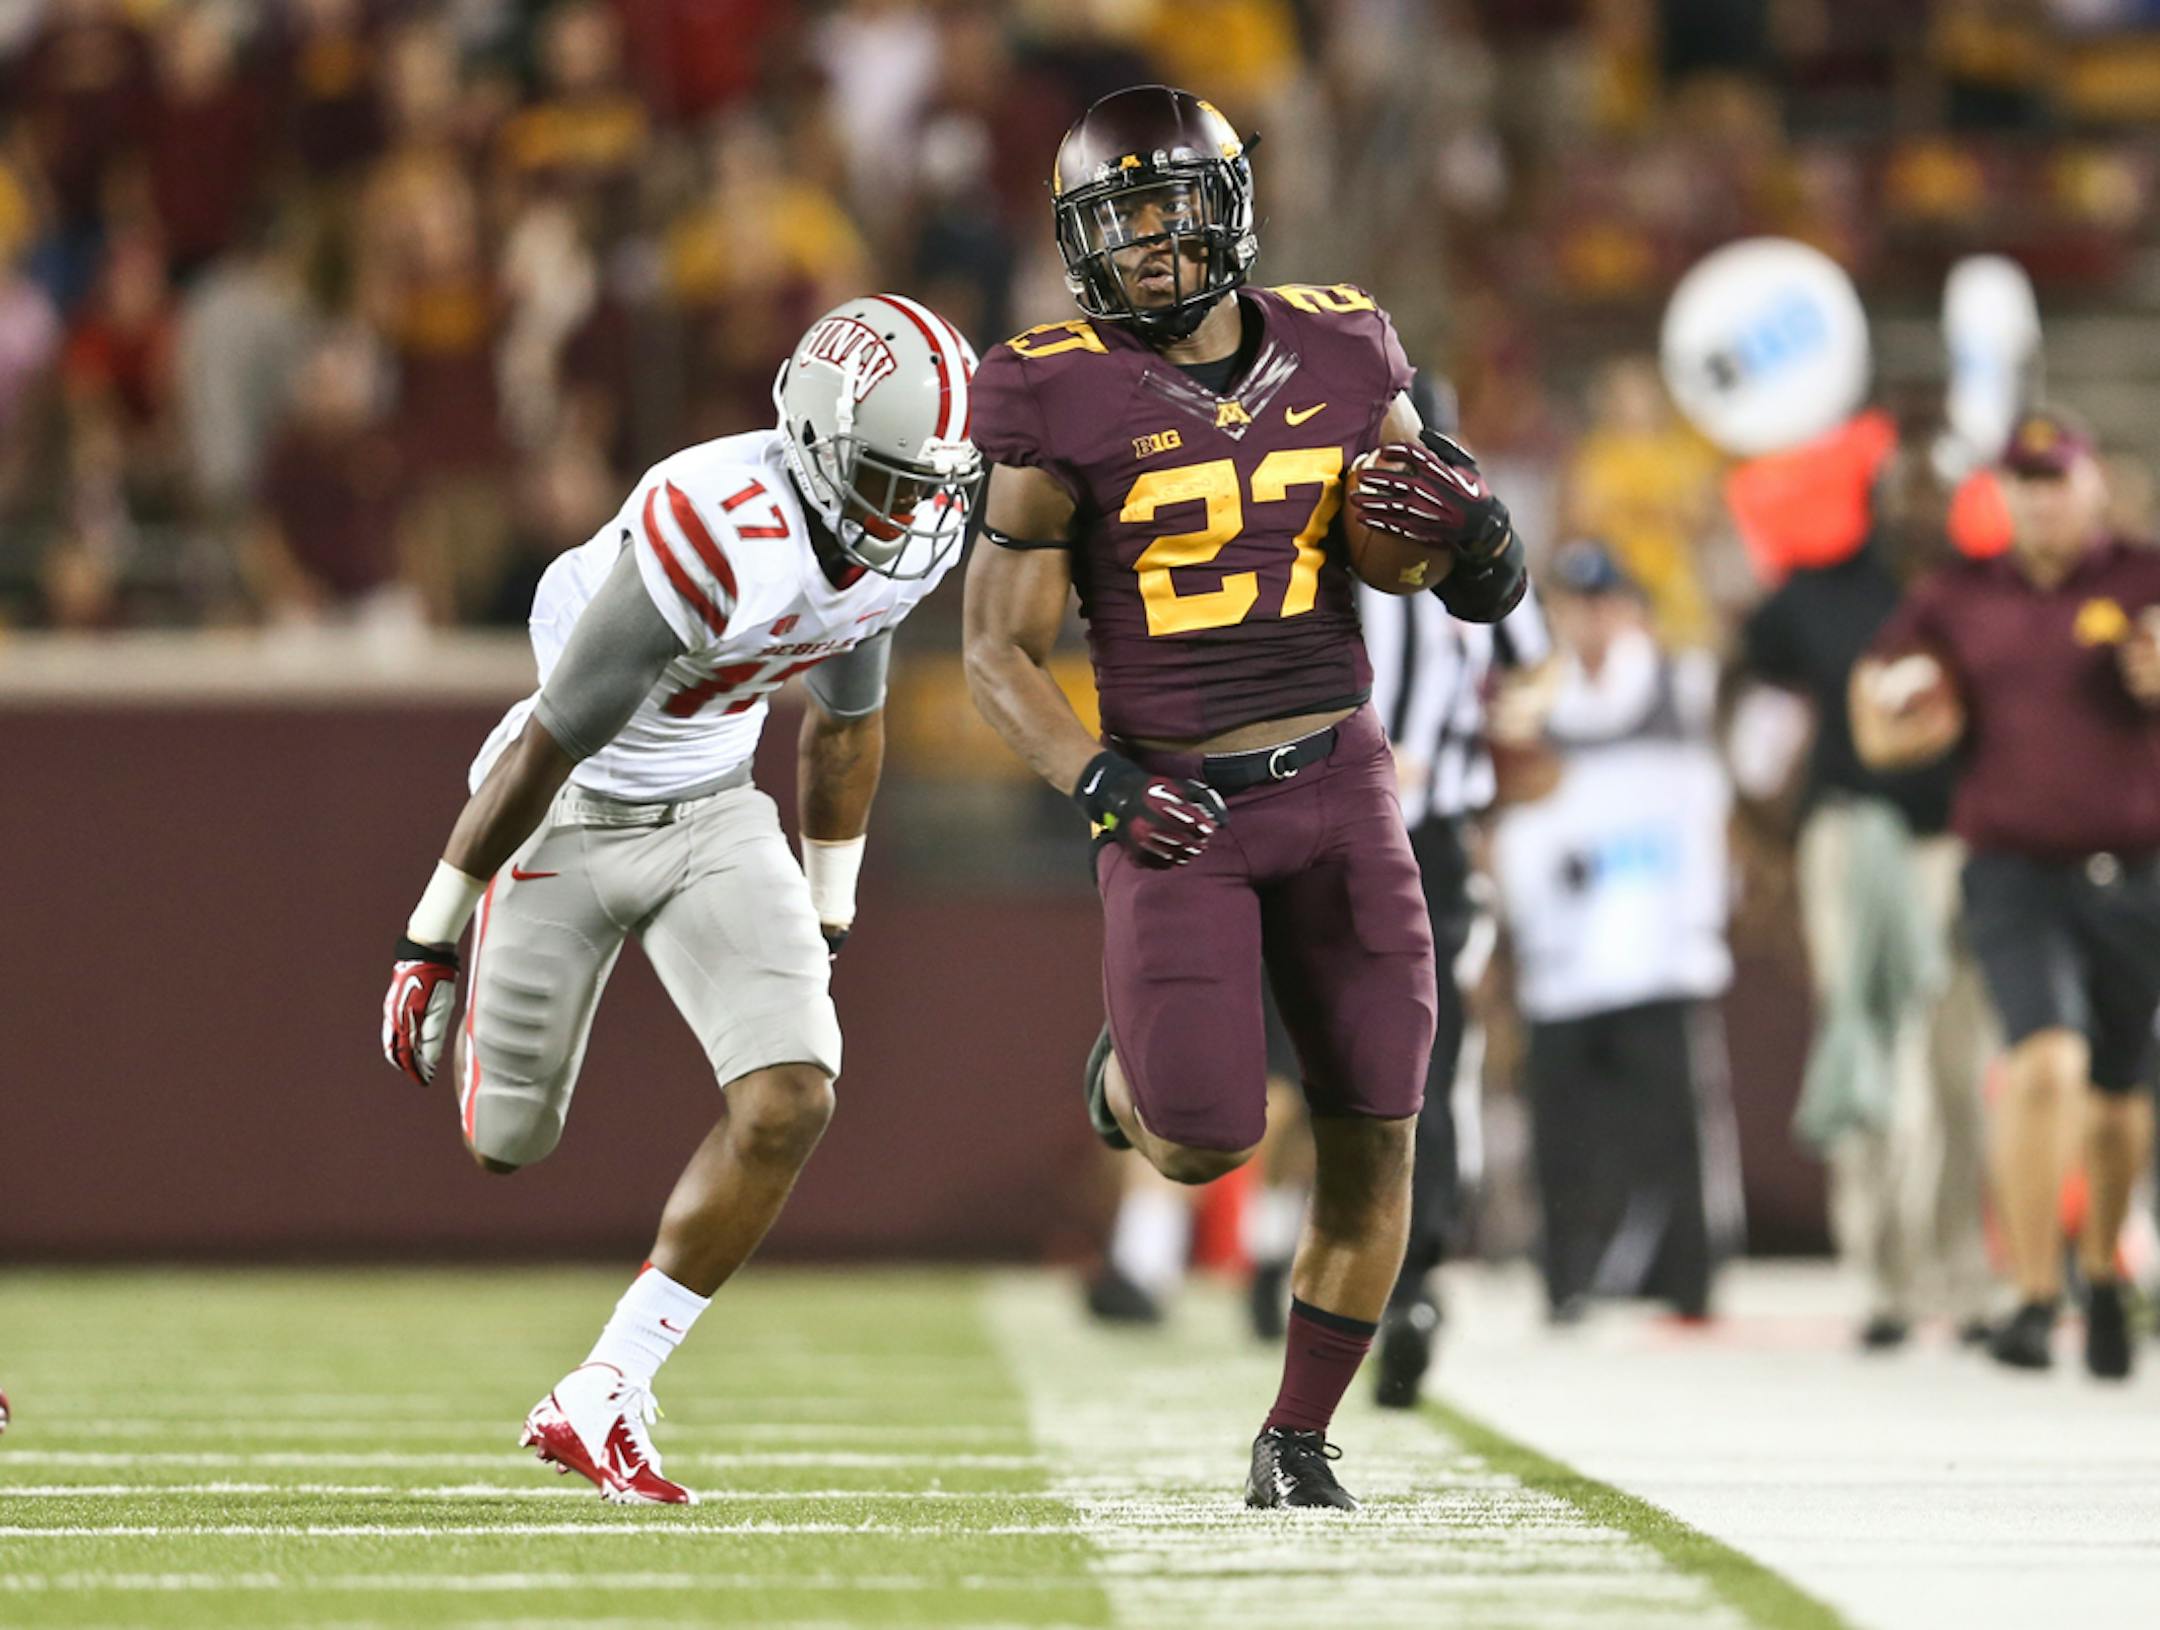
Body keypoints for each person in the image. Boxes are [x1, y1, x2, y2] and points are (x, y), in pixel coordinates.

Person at [961, 85, 1527, 1511]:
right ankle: (1128, 1077)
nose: (1149, 246)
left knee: (1378, 1117)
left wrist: (1481, 543)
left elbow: (1428, 552)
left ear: (1229, 210)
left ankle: (1297, 1436)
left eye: (1169, 211)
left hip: (1342, 782)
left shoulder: (1347, 343)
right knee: (1206, 1131)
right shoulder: (1048, 386)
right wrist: (1098, 780)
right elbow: (996, 650)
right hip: (1177, 803)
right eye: (1119, 222)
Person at [379, 293, 982, 1502]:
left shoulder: (905, 536)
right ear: (815, 438)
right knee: (507, 1142)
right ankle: (493, 941)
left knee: (792, 1096)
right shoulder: (714, 523)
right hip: (567, 803)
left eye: (928, 484)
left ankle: (606, 1385)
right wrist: (424, 939)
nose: (910, 511)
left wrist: (828, 914)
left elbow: (845, 723)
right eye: (887, 478)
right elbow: (548, 742)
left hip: (712, 807)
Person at [1854, 407, 2160, 1380]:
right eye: (2024, 484)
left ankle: (2102, 1270)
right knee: (2044, 1063)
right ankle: (2033, 1294)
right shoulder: (1958, 592)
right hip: (2013, 867)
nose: (2040, 500)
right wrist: (1894, 721)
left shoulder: (2144, 577)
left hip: (2136, 868)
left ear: (2092, 482)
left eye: (2055, 479)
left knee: (2117, 1100)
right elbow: (1877, 691)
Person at [1735, 449, 1992, 1352]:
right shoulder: (1820, 592)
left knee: (1959, 1064)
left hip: (1963, 841)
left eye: (1936, 491)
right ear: (1874, 501)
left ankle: (1958, 1269)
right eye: (1906, 491)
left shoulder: (1987, 594)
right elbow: (1746, 685)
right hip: (1855, 835)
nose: (1921, 508)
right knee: (1866, 1043)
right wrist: (1762, 825)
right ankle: (1882, 1274)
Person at [1491, 541, 1745, 1324]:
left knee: (1671, 1121)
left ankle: (1688, 1277)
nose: (1590, 620)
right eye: (1574, 605)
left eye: (1603, 603)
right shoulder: (1528, 705)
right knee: (1563, 1126)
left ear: (1632, 610)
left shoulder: (1683, 687)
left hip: (1659, 944)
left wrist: (1705, 914)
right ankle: (1566, 1276)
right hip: (1564, 948)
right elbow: (1505, 824)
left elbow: (1718, 807)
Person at [1358, 551, 1553, 1403]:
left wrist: (1509, 715)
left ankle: (1412, 1282)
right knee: (1317, 1064)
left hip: (1430, 837)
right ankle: (1324, 1258)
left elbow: (1536, 668)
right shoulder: (1305, 528)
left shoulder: (1472, 538)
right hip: (1327, 830)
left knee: (1424, 1064)